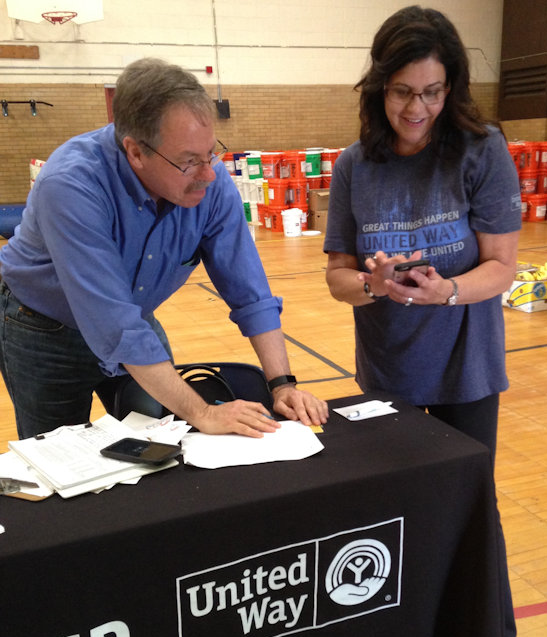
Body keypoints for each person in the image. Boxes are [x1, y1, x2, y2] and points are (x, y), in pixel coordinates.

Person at [323, 6, 521, 637]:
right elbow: (337, 279)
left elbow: (502, 265)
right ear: (380, 86)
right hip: (391, 371)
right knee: (399, 510)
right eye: (405, 91)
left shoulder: (480, 148)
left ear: (452, 88)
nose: (418, 108)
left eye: (433, 92)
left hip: (466, 366)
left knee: (472, 509)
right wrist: (372, 284)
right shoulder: (355, 166)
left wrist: (448, 292)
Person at [0, 57, 328, 440]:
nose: (208, 173)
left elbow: (250, 291)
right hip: (43, 327)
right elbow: (112, 322)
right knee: (60, 455)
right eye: (189, 161)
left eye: (211, 153)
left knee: (161, 441)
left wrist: (282, 384)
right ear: (136, 152)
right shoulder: (71, 185)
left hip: (134, 318)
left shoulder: (210, 179)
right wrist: (203, 412)